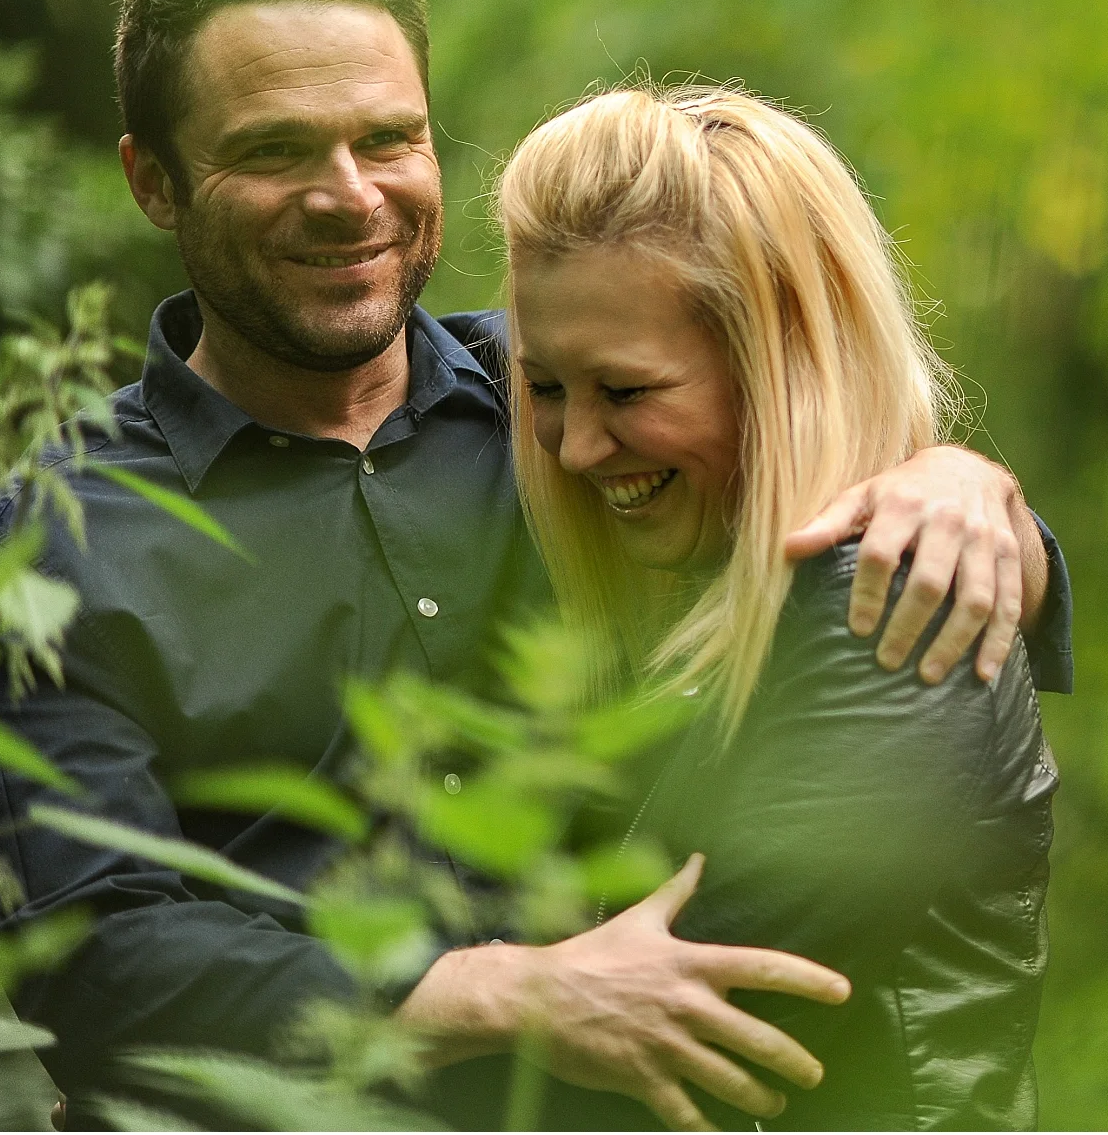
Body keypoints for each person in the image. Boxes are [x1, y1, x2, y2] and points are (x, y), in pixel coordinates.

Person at [0, 0, 1074, 1131]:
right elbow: (90, 951)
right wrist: (496, 992)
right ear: (155, 181)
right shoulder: (47, 541)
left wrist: (973, 496)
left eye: (388, 137)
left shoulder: (573, 402)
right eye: (275, 150)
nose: (349, 194)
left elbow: (820, 494)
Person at [434, 84, 1057, 1130]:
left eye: (627, 393)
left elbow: (653, 1064)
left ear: (781, 367)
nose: (577, 446)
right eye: (545, 389)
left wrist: (392, 1001)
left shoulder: (885, 616)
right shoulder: (710, 607)